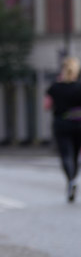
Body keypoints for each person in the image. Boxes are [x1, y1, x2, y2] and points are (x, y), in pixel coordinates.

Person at [45, 57, 81, 203]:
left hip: (61, 123)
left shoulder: (54, 87)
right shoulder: (79, 87)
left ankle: (70, 180)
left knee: (66, 154)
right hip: (79, 123)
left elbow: (46, 105)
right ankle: (73, 179)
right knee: (76, 155)